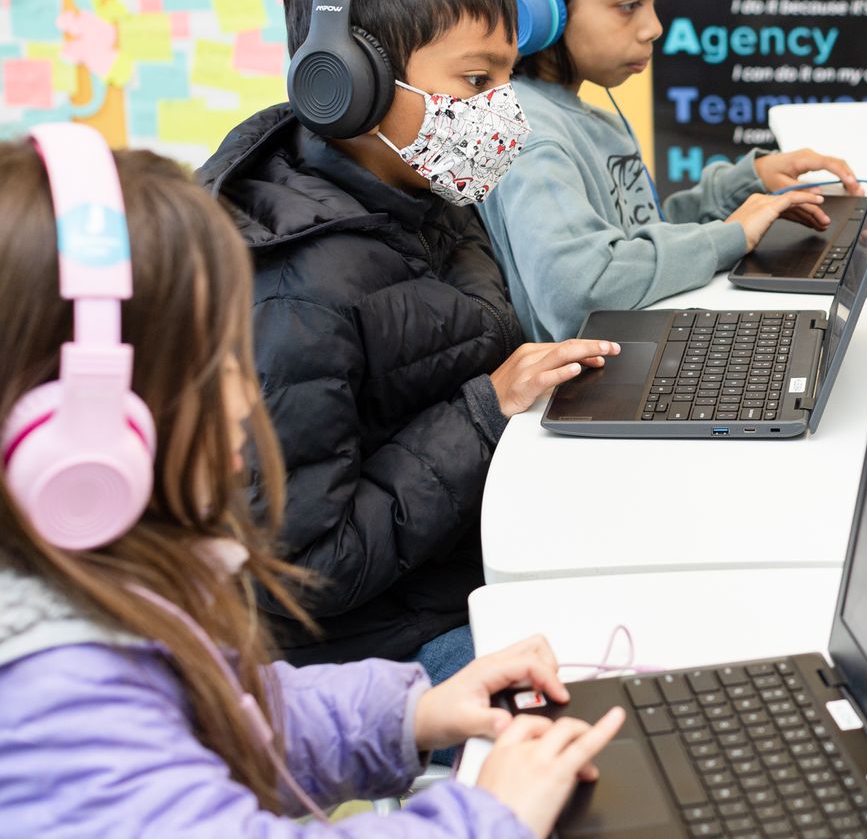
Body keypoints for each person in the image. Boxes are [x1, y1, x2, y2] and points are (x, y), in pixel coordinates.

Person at [0, 128, 626, 836]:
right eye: (219, 370)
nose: (245, 402)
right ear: (78, 430)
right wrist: (487, 816)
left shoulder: (91, 579)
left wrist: (408, 713)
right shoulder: (54, 694)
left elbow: (228, 713)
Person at [199, 0, 616, 677]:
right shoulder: (296, 295)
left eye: (506, 79)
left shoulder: (424, 195)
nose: (503, 113)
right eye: (477, 82)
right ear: (346, 86)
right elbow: (310, 570)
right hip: (375, 649)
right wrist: (486, 409)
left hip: (465, 561)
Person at [470, 0, 864, 343]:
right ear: (530, 2)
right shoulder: (528, 137)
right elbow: (584, 292)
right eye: (629, 4)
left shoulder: (586, 119)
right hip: (578, 393)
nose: (653, 27)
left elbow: (635, 245)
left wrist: (744, 187)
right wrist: (731, 236)